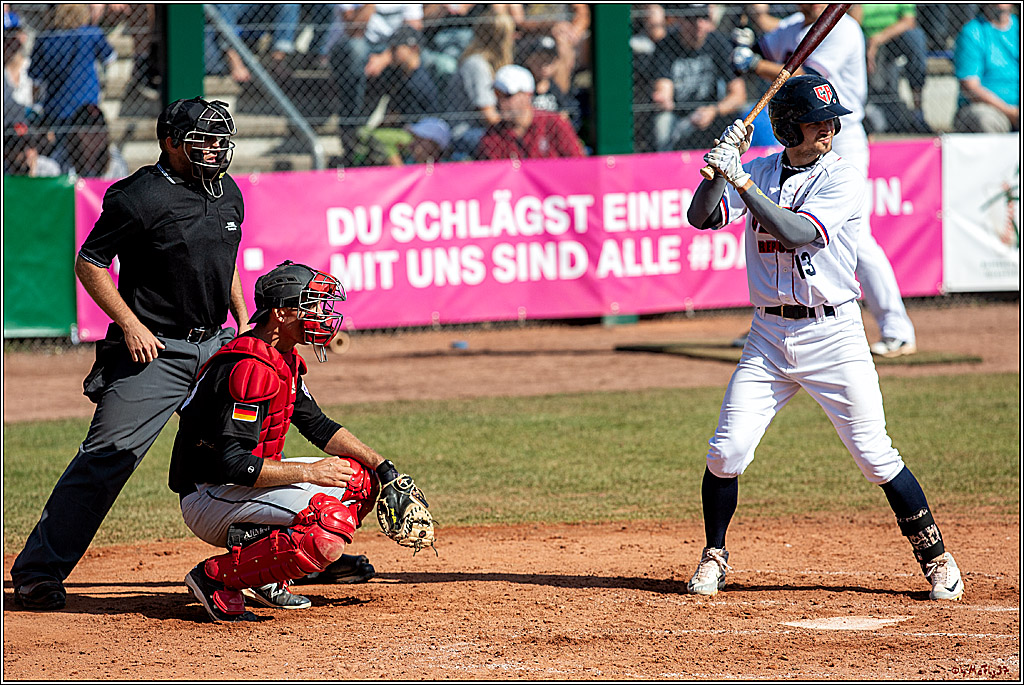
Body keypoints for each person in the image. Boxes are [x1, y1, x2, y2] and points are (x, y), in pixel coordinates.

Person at [685, 75, 963, 602]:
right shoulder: (763, 170)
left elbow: (795, 233)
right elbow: (701, 217)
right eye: (817, 123)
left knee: (875, 456)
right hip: (768, 336)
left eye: (832, 122)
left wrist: (740, 181)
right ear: (789, 126)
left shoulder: (843, 178)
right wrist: (719, 171)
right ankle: (714, 554)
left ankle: (937, 557)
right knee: (726, 452)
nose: (828, 132)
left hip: (833, 335)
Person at [10, 98, 248, 612]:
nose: (214, 149)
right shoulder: (139, 195)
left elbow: (224, 261)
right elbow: (91, 262)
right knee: (106, 462)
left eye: (220, 139)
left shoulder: (227, 192)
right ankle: (37, 572)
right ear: (170, 143)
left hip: (215, 345)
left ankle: (281, 555)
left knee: (251, 440)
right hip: (153, 351)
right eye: (202, 140)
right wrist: (130, 324)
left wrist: (243, 320)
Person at [172, 261, 433, 621]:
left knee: (359, 479)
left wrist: (383, 467)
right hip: (210, 493)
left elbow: (320, 428)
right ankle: (217, 578)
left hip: (241, 485)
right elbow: (231, 463)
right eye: (310, 305)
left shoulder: (283, 360)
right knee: (327, 522)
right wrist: (311, 474)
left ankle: (268, 572)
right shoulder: (250, 368)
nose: (321, 315)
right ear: (280, 313)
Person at [730, 3, 917, 358]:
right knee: (781, 221)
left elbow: (809, 82)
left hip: (837, 135)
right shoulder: (792, 26)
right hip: (798, 140)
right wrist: (746, 35)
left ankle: (897, 328)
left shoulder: (841, 27)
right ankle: (777, 318)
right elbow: (770, 37)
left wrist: (752, 64)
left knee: (856, 239)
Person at [649, 3, 747, 152]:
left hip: (712, 112)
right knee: (663, 121)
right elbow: (664, 87)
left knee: (741, 116)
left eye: (703, 17)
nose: (698, 24)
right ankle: (665, 166)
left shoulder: (718, 42)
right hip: (679, 116)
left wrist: (714, 110)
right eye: (691, 18)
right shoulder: (667, 45)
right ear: (680, 20)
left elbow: (739, 95)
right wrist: (663, 98)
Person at [28, 5, 116, 130]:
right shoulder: (91, 34)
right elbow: (110, 57)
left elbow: (36, 78)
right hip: (87, 107)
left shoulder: (45, 39)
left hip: (56, 109)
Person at [849, 4, 930, 134]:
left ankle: (918, 112)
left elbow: (908, 21)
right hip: (864, 37)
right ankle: (859, 110)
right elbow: (853, 22)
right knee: (851, 40)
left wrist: (877, 40)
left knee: (916, 37)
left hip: (893, 37)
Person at [476, 64, 583, 160]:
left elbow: (578, 162)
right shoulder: (493, 136)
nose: (501, 102)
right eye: (497, 95)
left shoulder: (553, 124)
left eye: (508, 96)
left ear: (527, 95)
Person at [953, 3, 1020, 134]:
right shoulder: (972, 32)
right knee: (985, 120)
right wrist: (1010, 112)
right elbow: (970, 87)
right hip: (987, 108)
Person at [57, 103, 130, 179]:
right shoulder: (62, 160)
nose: (96, 135)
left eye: (100, 128)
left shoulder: (116, 160)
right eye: (90, 130)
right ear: (77, 133)